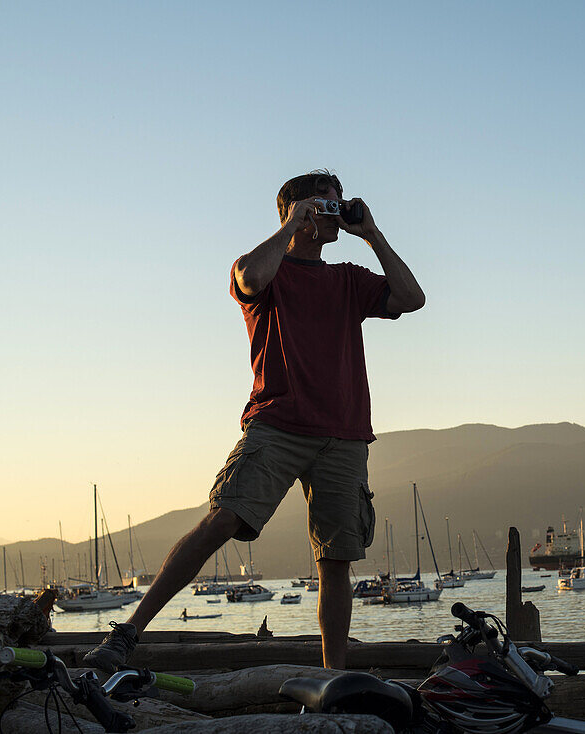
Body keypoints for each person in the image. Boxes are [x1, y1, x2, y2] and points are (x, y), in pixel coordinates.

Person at [83, 170, 425, 672]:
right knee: (222, 519)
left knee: (336, 561)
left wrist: (372, 233)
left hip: (344, 434)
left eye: (338, 205)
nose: (334, 214)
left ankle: (335, 681)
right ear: (298, 211)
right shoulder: (269, 271)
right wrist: (290, 228)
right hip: (278, 423)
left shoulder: (348, 278)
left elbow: (412, 298)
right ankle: (127, 633)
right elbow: (248, 278)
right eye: (324, 206)